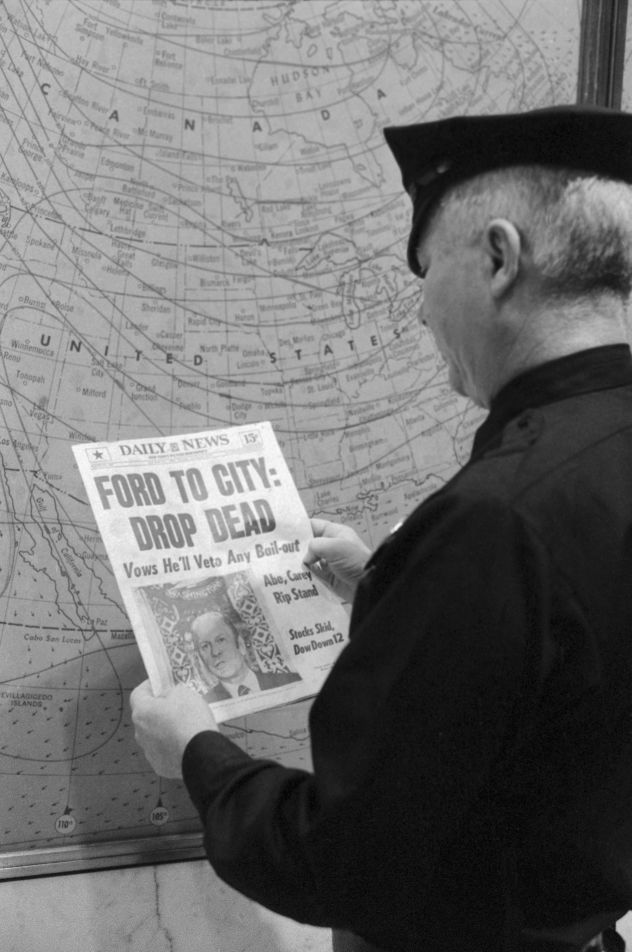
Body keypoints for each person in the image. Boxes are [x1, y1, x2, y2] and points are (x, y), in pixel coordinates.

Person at [131, 105, 632, 952]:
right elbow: (568, 675)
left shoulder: (495, 521)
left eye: (426, 270)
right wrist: (398, 585)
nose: (422, 312)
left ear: (499, 258)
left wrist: (193, 750)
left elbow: (340, 858)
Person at [190, 609, 301, 700]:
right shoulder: (204, 705)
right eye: (205, 646)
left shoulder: (291, 681)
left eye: (221, 640)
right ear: (201, 658)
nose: (215, 652)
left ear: (240, 645)